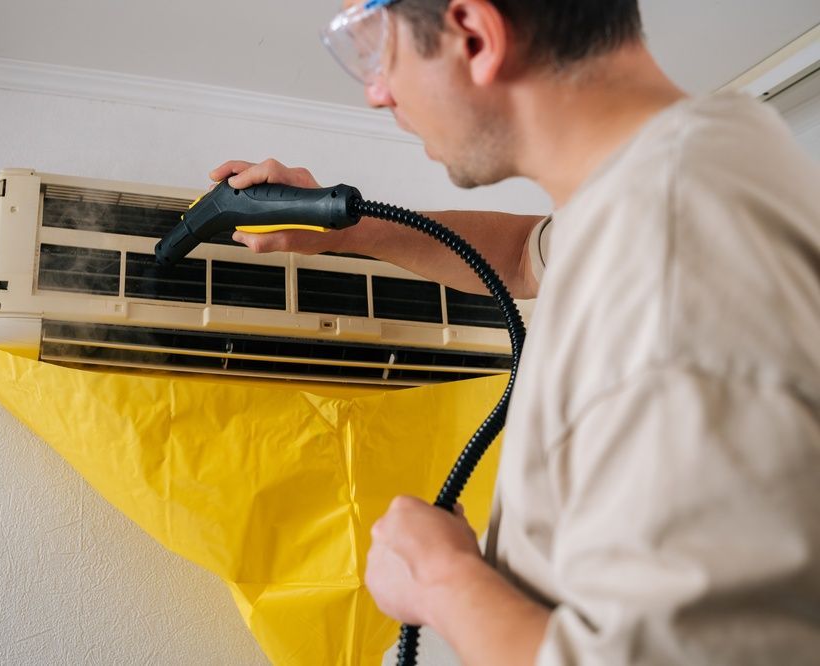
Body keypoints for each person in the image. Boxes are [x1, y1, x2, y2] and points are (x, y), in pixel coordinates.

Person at [211, 0, 820, 663]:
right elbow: (524, 256)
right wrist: (345, 228)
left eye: (380, 51)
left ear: (474, 35)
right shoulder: (669, 178)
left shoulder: (672, 260)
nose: (376, 94)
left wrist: (442, 582)